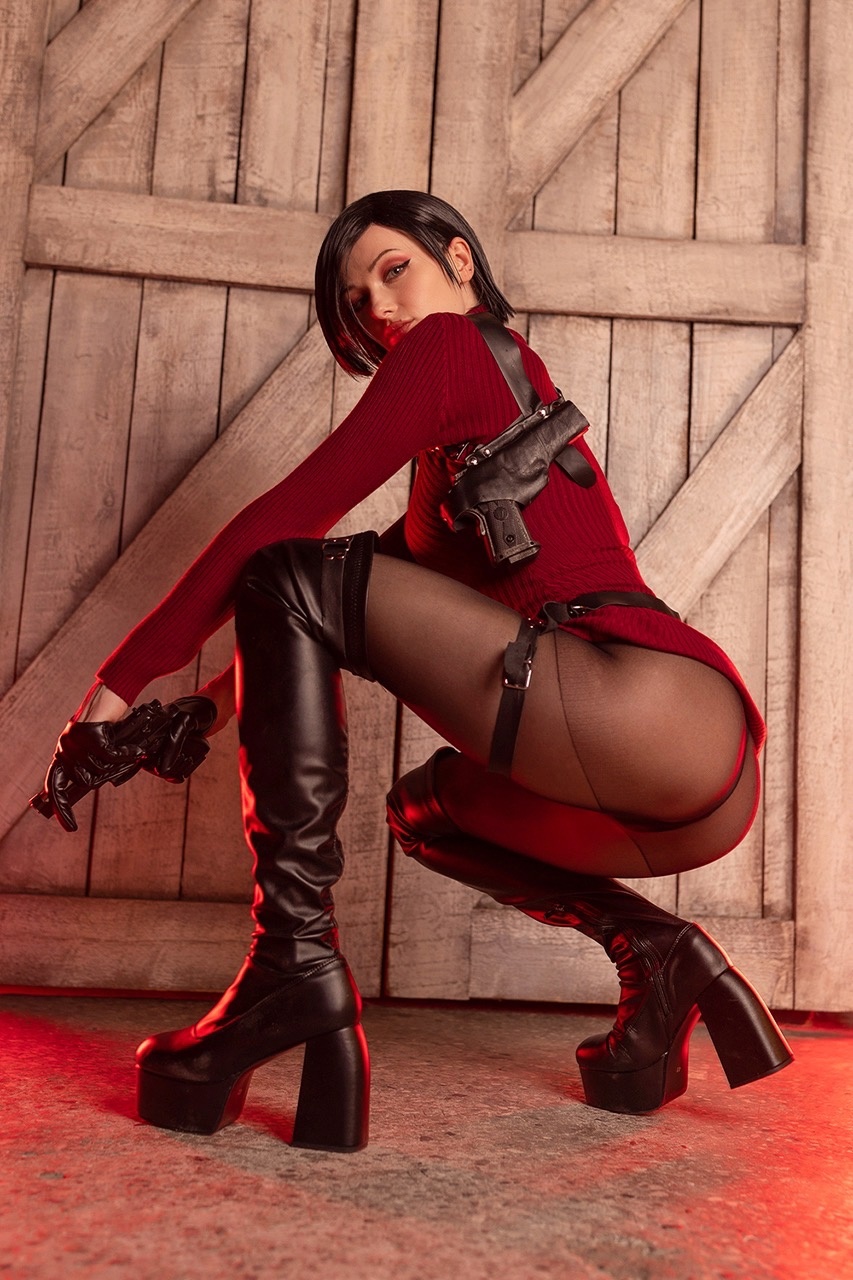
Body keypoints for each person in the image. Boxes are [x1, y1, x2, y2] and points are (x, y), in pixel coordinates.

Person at [35, 190, 792, 1152]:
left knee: (283, 566)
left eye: (393, 271)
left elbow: (285, 525)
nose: (380, 309)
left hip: (633, 697)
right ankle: (656, 950)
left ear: (459, 260)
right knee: (424, 812)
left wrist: (113, 687)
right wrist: (201, 711)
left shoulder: (451, 346)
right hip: (702, 773)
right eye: (357, 302)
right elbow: (325, 605)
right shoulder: (461, 457)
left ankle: (291, 967)